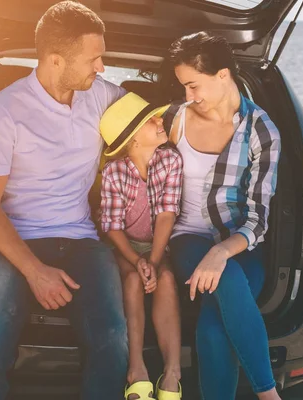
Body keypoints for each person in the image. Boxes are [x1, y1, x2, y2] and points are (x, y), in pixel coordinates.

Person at [0, 2, 129, 399]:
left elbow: (155, 119)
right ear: (54, 60)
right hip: (16, 242)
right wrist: (35, 271)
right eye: (93, 59)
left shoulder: (98, 95)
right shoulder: (3, 114)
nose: (101, 68)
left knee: (113, 340)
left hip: (82, 239)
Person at [164, 32, 282, 400]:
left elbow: (258, 218)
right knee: (225, 279)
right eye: (183, 85)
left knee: (214, 327)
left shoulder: (261, 130)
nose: (187, 95)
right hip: (186, 238)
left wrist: (220, 251)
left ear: (223, 75)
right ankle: (270, 396)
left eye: (193, 84)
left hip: (239, 244)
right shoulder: (174, 120)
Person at [99, 93, 183, 400]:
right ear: (133, 140)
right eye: (152, 120)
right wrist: (138, 261)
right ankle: (136, 368)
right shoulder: (113, 171)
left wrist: (155, 260)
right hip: (126, 245)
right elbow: (112, 227)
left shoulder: (171, 160)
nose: (161, 121)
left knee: (167, 279)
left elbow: (166, 214)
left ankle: (173, 371)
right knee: (133, 280)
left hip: (159, 243)